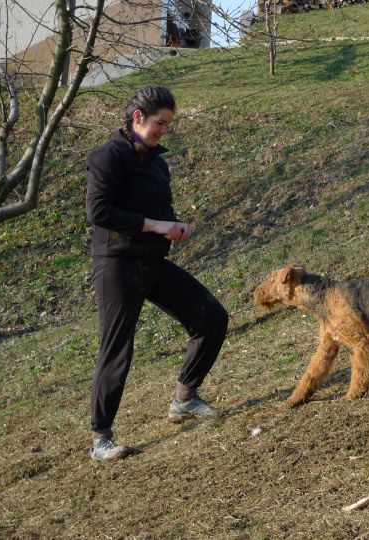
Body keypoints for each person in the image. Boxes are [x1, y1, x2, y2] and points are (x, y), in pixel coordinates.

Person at [85, 86, 229, 461]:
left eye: (168, 123)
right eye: (159, 123)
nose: (165, 130)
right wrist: (154, 225)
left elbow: (160, 211)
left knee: (211, 318)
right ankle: (102, 439)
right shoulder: (107, 157)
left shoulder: (156, 163)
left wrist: (174, 226)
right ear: (137, 118)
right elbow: (99, 212)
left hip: (151, 260)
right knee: (117, 349)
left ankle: (185, 398)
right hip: (116, 262)